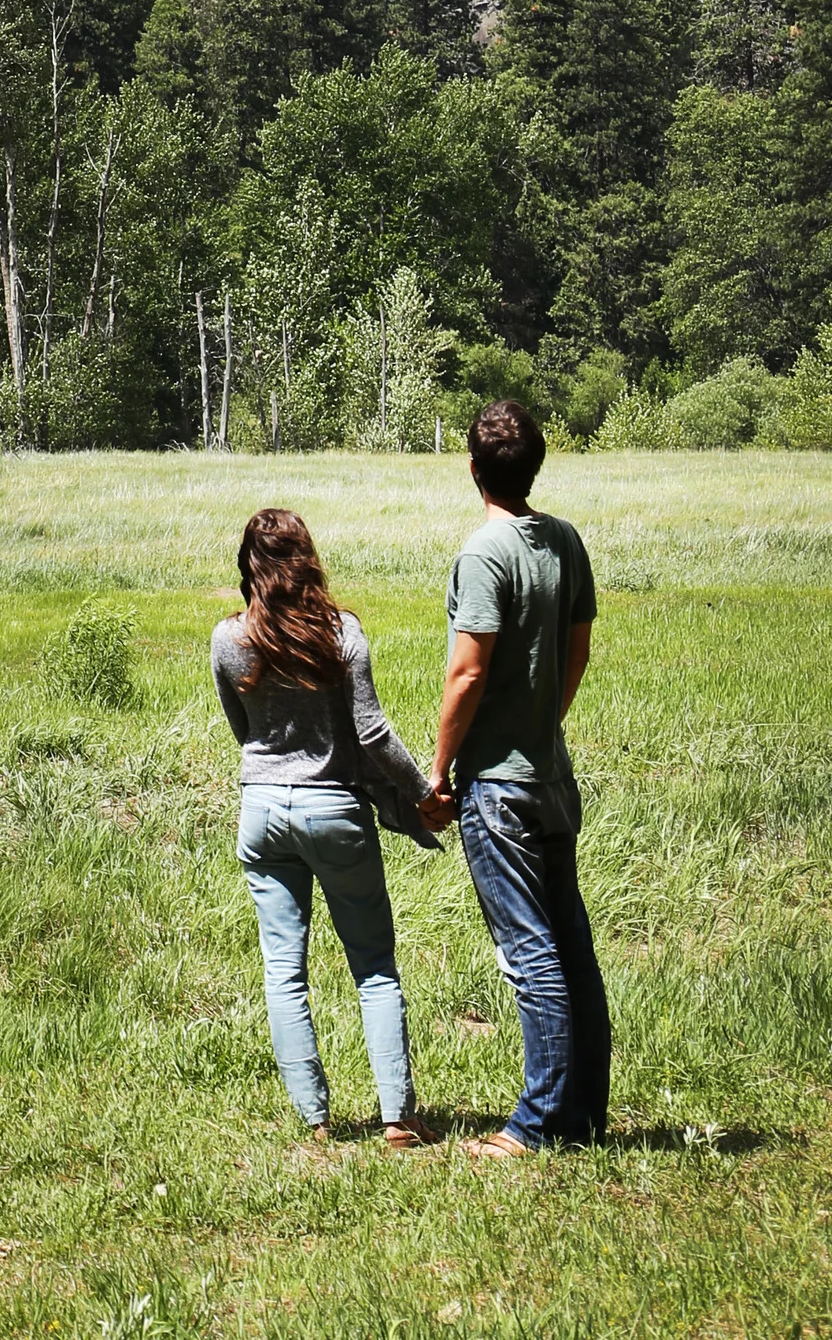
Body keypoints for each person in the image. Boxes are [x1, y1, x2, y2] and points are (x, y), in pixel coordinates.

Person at [211, 506, 437, 1144]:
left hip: (261, 811)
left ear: (248, 567)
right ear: (307, 559)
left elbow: (244, 732)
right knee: (373, 964)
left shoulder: (227, 640)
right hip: (333, 808)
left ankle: (315, 1121)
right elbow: (373, 733)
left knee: (284, 969)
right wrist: (422, 795)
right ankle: (397, 1116)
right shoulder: (343, 633)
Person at [422, 397, 609, 1157]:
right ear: (534, 467)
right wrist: (546, 722)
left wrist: (439, 770)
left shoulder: (484, 553)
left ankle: (534, 1127)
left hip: (498, 788)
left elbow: (467, 675)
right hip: (552, 778)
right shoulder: (563, 540)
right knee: (569, 946)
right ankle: (582, 1116)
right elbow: (577, 653)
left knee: (531, 953)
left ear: (473, 469)